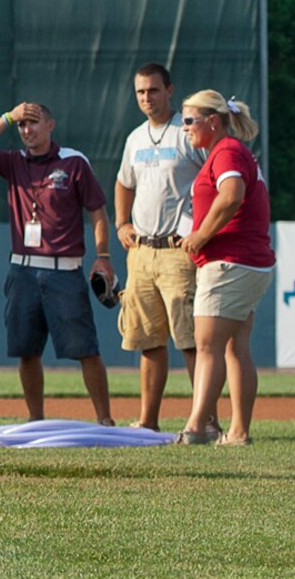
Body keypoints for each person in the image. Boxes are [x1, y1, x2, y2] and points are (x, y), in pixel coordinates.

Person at [0, 101, 116, 425]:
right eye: (22, 125)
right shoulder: (13, 162)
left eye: (33, 122)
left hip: (64, 271)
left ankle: (105, 419)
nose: (27, 130)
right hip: (23, 271)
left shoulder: (73, 162)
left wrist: (103, 256)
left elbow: (98, 212)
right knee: (26, 351)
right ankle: (36, 420)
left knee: (86, 349)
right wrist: (8, 116)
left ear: (51, 125)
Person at [174, 91, 274, 446]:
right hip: (249, 262)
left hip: (231, 262)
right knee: (235, 346)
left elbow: (231, 195)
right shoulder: (228, 151)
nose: (184, 128)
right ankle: (238, 432)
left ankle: (197, 428)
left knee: (207, 346)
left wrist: (199, 235)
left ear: (212, 121)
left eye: (189, 120)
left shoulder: (226, 151)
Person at [114, 63, 206, 430]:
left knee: (190, 340)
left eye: (153, 90)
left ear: (170, 90)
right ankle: (148, 420)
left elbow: (211, 180)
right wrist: (122, 222)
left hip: (177, 250)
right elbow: (123, 182)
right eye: (140, 92)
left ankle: (205, 419)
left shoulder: (187, 133)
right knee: (148, 340)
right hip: (142, 251)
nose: (146, 98)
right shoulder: (136, 138)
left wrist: (198, 229)